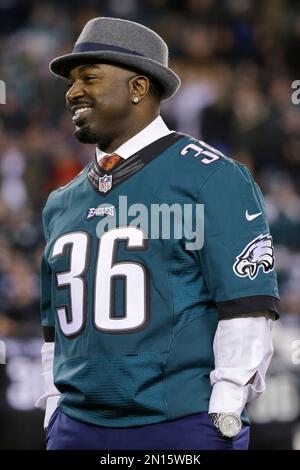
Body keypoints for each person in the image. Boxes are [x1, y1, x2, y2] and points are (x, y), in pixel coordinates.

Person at [36, 17, 280, 450]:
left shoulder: (212, 177)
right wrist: (55, 406)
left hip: (179, 423)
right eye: (71, 82)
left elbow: (245, 304)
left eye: (88, 77)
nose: (73, 91)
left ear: (138, 88)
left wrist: (226, 402)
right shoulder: (61, 201)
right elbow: (54, 325)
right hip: (77, 426)